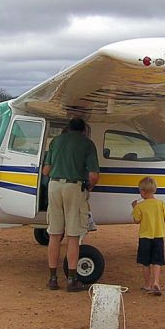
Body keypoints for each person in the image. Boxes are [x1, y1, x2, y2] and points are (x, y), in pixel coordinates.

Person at [42, 117, 100, 292]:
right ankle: (72, 279)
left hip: (54, 186)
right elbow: (93, 176)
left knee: (54, 233)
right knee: (73, 235)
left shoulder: (56, 141)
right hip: (74, 187)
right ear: (83, 130)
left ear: (68, 128)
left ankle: (52, 278)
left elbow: (46, 170)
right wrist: (88, 187)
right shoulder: (87, 144)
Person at [131, 176, 165, 296]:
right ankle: (156, 281)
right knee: (157, 261)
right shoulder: (161, 204)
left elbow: (136, 220)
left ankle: (147, 284)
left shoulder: (140, 206)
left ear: (143, 192)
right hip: (158, 236)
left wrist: (134, 208)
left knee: (145, 262)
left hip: (145, 237)